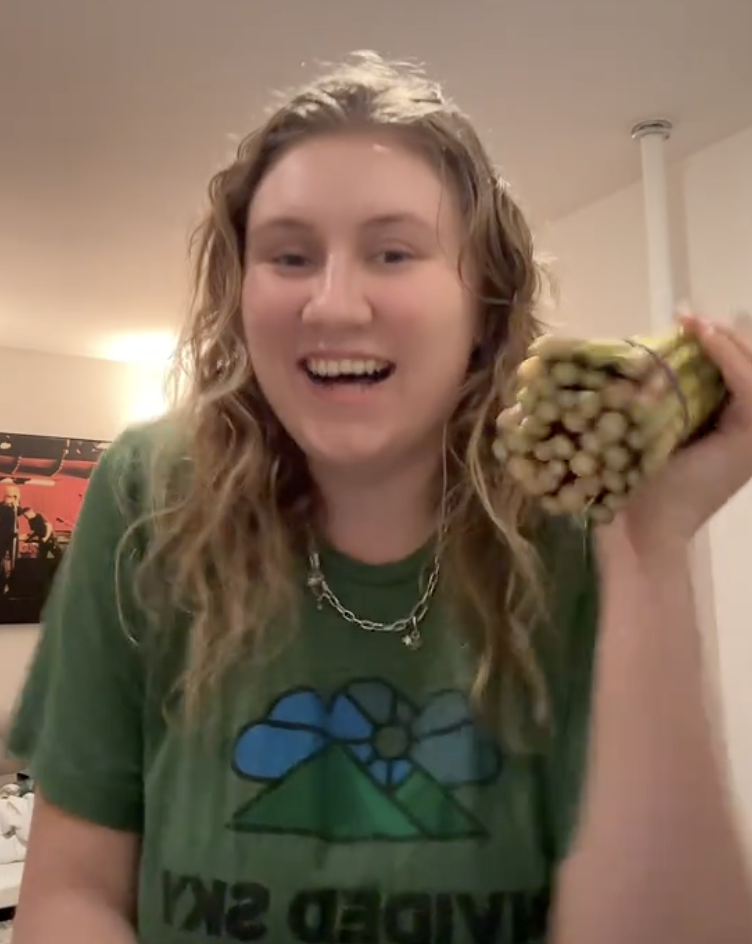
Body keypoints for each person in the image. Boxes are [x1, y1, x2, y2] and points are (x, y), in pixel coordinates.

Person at [6, 52, 752, 944]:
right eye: (288, 255)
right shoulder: (148, 492)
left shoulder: (575, 509)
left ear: (484, 301)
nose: (331, 303)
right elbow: (71, 895)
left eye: (393, 252)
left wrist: (649, 548)